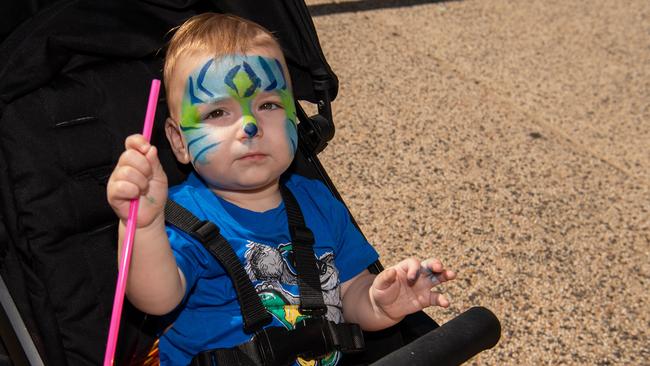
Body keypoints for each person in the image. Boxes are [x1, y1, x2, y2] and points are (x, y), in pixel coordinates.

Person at [106, 13, 456, 366]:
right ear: (179, 142)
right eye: (217, 113)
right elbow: (157, 297)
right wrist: (144, 225)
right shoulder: (180, 217)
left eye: (269, 105)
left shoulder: (318, 203)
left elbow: (351, 294)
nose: (249, 125)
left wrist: (380, 304)